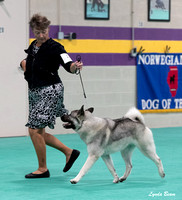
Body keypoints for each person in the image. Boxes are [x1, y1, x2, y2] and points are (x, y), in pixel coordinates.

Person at [20, 14, 83, 178]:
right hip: (35, 91)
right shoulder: (33, 45)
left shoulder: (55, 47)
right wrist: (24, 64)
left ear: (48, 29)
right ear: (33, 30)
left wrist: (75, 67)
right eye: (37, 32)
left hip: (49, 90)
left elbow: (67, 63)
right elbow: (32, 64)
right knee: (36, 132)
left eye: (44, 31)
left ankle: (43, 169)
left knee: (34, 129)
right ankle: (69, 152)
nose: (41, 35)